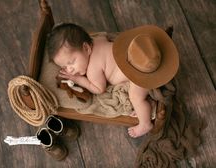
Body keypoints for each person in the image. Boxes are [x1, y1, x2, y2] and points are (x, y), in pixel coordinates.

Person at [46, 23, 179, 138]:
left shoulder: (93, 69)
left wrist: (79, 79)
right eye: (64, 67)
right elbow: (105, 36)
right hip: (135, 56)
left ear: (86, 48)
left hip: (139, 74)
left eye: (71, 63)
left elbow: (98, 89)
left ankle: (145, 124)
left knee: (136, 98)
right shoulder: (98, 39)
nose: (70, 70)